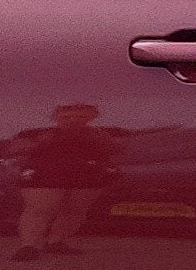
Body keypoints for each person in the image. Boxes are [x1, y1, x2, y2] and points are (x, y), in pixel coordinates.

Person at [6, 101, 117, 259]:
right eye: (68, 116)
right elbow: (21, 150)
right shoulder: (41, 133)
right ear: (56, 117)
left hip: (86, 175)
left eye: (80, 116)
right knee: (39, 210)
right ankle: (29, 246)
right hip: (46, 174)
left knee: (75, 211)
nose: (74, 120)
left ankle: (57, 241)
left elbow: (113, 151)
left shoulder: (99, 135)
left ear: (92, 117)